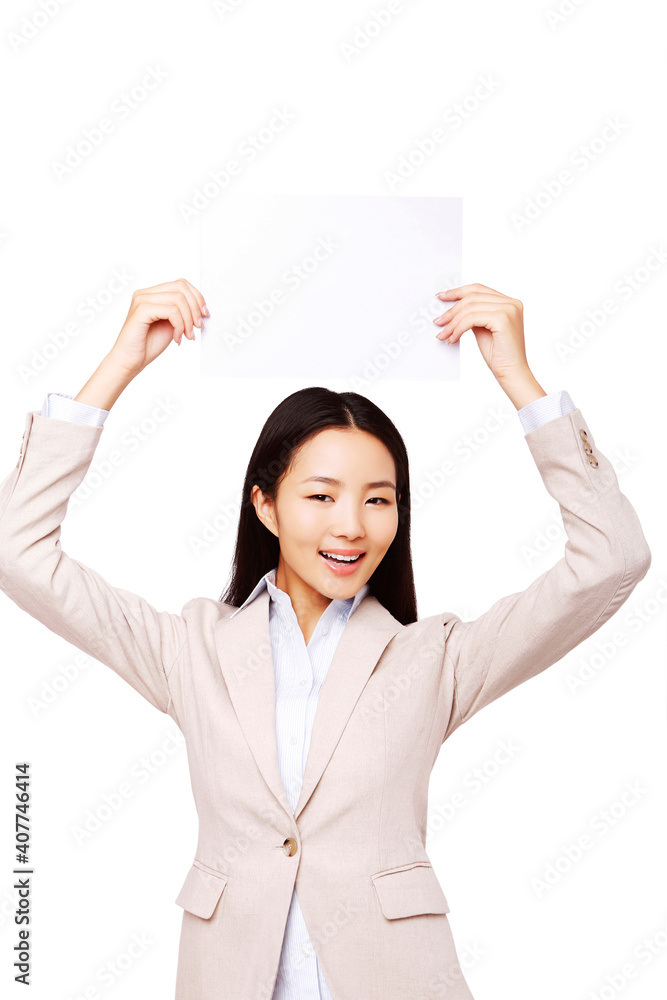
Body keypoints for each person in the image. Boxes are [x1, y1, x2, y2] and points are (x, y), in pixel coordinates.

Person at [0, 278, 651, 1000]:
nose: (351, 525)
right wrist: (120, 363)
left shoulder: (433, 657)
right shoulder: (192, 650)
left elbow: (612, 561)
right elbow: (18, 553)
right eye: (320, 496)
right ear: (265, 505)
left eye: (379, 499)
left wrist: (520, 385)